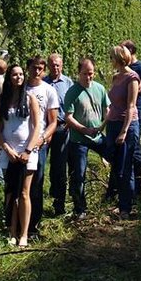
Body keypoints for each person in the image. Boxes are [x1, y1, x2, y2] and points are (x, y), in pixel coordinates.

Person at [0, 63, 42, 247]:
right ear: (9, 78)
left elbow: (37, 126)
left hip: (27, 153)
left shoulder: (30, 99)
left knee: (24, 193)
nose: (19, 77)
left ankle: (24, 234)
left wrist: (28, 150)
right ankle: (12, 232)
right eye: (15, 75)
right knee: (11, 192)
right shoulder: (1, 100)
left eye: (21, 74)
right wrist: (6, 148)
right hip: (9, 153)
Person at [61, 57, 108, 219]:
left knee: (117, 158)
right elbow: (68, 117)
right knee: (78, 174)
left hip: (98, 136)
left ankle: (112, 194)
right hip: (78, 139)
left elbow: (106, 109)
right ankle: (80, 208)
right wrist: (84, 129)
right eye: (84, 74)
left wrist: (102, 127)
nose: (88, 77)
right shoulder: (72, 92)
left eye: (91, 73)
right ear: (78, 73)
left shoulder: (100, 89)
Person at [105, 45, 141, 220]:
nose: (110, 60)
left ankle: (126, 207)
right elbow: (112, 105)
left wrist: (124, 131)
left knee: (126, 167)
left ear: (119, 59)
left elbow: (131, 106)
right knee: (116, 165)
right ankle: (120, 200)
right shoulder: (115, 77)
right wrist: (104, 124)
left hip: (126, 125)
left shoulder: (132, 78)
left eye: (111, 57)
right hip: (113, 123)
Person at [25, 55, 59, 238]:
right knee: (18, 185)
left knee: (36, 185)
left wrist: (43, 139)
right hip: (19, 144)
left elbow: (53, 122)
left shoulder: (48, 91)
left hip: (39, 145)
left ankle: (33, 225)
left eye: (40, 68)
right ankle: (15, 222)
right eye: (33, 67)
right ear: (28, 68)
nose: (37, 71)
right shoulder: (20, 89)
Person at [44, 53, 73, 215]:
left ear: (62, 66)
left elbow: (73, 105)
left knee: (59, 167)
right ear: (48, 66)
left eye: (58, 65)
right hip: (44, 130)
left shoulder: (68, 83)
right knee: (39, 165)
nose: (55, 67)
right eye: (52, 64)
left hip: (62, 129)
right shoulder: (43, 83)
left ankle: (59, 204)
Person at [122, 39, 141, 199]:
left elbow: (139, 88)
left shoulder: (140, 68)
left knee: (134, 142)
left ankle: (137, 184)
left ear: (130, 52)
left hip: (136, 106)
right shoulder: (124, 68)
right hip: (122, 106)